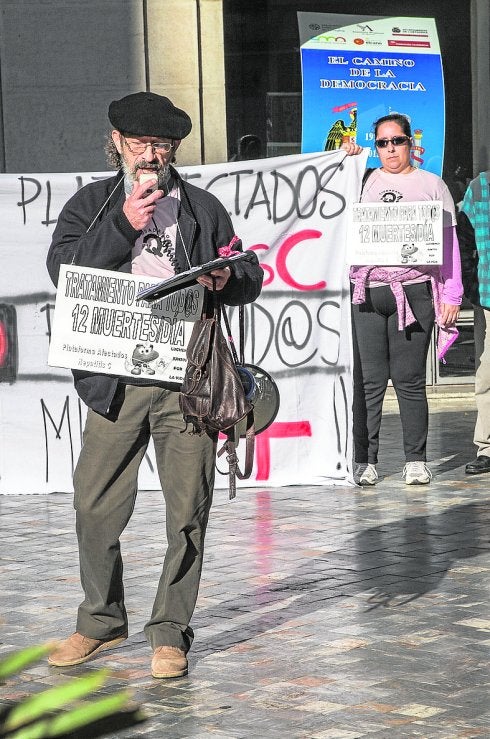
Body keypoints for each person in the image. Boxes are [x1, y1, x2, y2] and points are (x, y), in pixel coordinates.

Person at [46, 91, 263, 678]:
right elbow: (64, 271)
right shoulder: (92, 205)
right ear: (116, 142)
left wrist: (227, 276)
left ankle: (170, 631)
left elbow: (247, 270)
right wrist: (123, 225)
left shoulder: (201, 206)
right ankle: (100, 619)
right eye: (140, 143)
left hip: (187, 379)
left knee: (187, 507)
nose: (151, 154)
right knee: (94, 503)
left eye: (161, 145)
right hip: (116, 381)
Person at [343, 113, 463, 486]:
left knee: (409, 379)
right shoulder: (361, 179)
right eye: (382, 142)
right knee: (369, 381)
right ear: (375, 145)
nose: (390, 148)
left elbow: (448, 245)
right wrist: (344, 159)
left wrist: (452, 293)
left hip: (414, 291)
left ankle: (415, 459)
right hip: (367, 290)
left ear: (411, 142)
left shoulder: (432, 184)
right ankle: (365, 459)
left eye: (397, 141)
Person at [457, 171, 490, 474]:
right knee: (487, 374)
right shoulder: (479, 187)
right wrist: (472, 284)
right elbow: (463, 240)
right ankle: (487, 446)